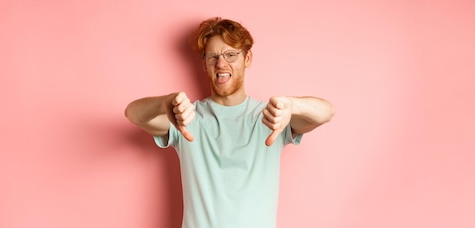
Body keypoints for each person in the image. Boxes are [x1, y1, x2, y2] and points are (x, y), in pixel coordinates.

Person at [125, 17, 334, 228]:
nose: (221, 63)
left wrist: (293, 105)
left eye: (231, 55)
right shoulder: (185, 116)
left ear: (248, 58)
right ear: (204, 65)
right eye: (212, 57)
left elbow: (326, 112)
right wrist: (164, 103)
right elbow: (133, 113)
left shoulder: (273, 117)